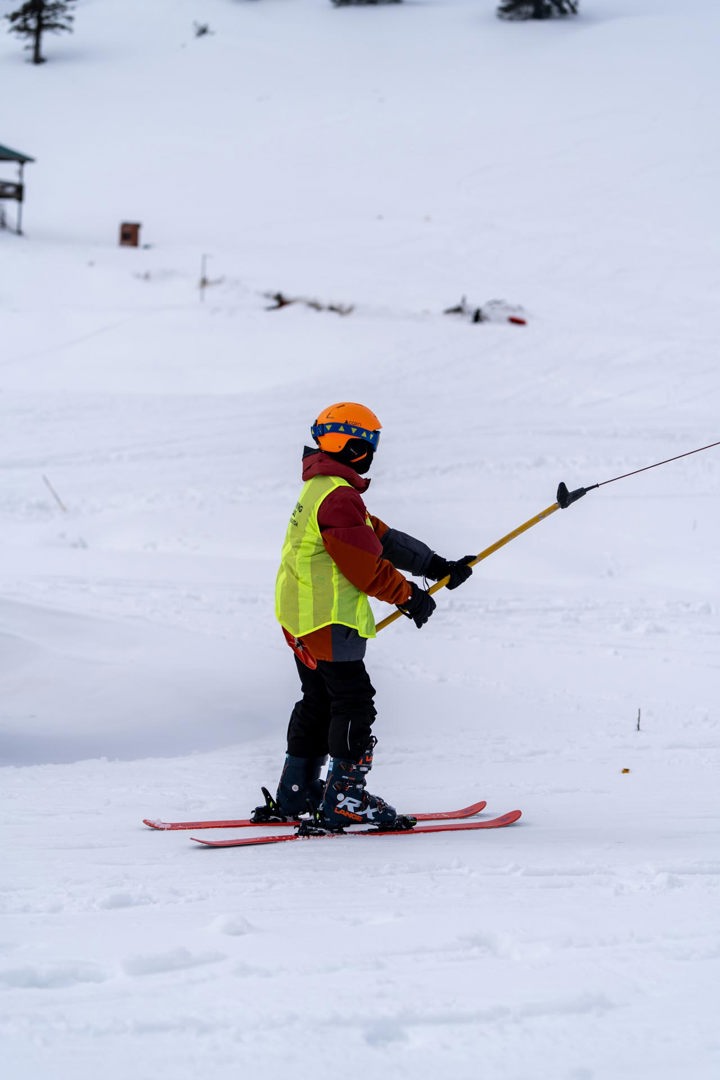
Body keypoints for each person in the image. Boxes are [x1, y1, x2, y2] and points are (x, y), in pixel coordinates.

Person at [252, 402, 475, 832]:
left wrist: (435, 565)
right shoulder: (337, 496)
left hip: (301, 619)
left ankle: (297, 792)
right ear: (351, 445)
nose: (373, 452)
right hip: (328, 620)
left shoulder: (324, 487)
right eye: (368, 443)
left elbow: (379, 538)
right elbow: (364, 566)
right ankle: (346, 799)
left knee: (319, 700)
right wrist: (407, 596)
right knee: (354, 702)